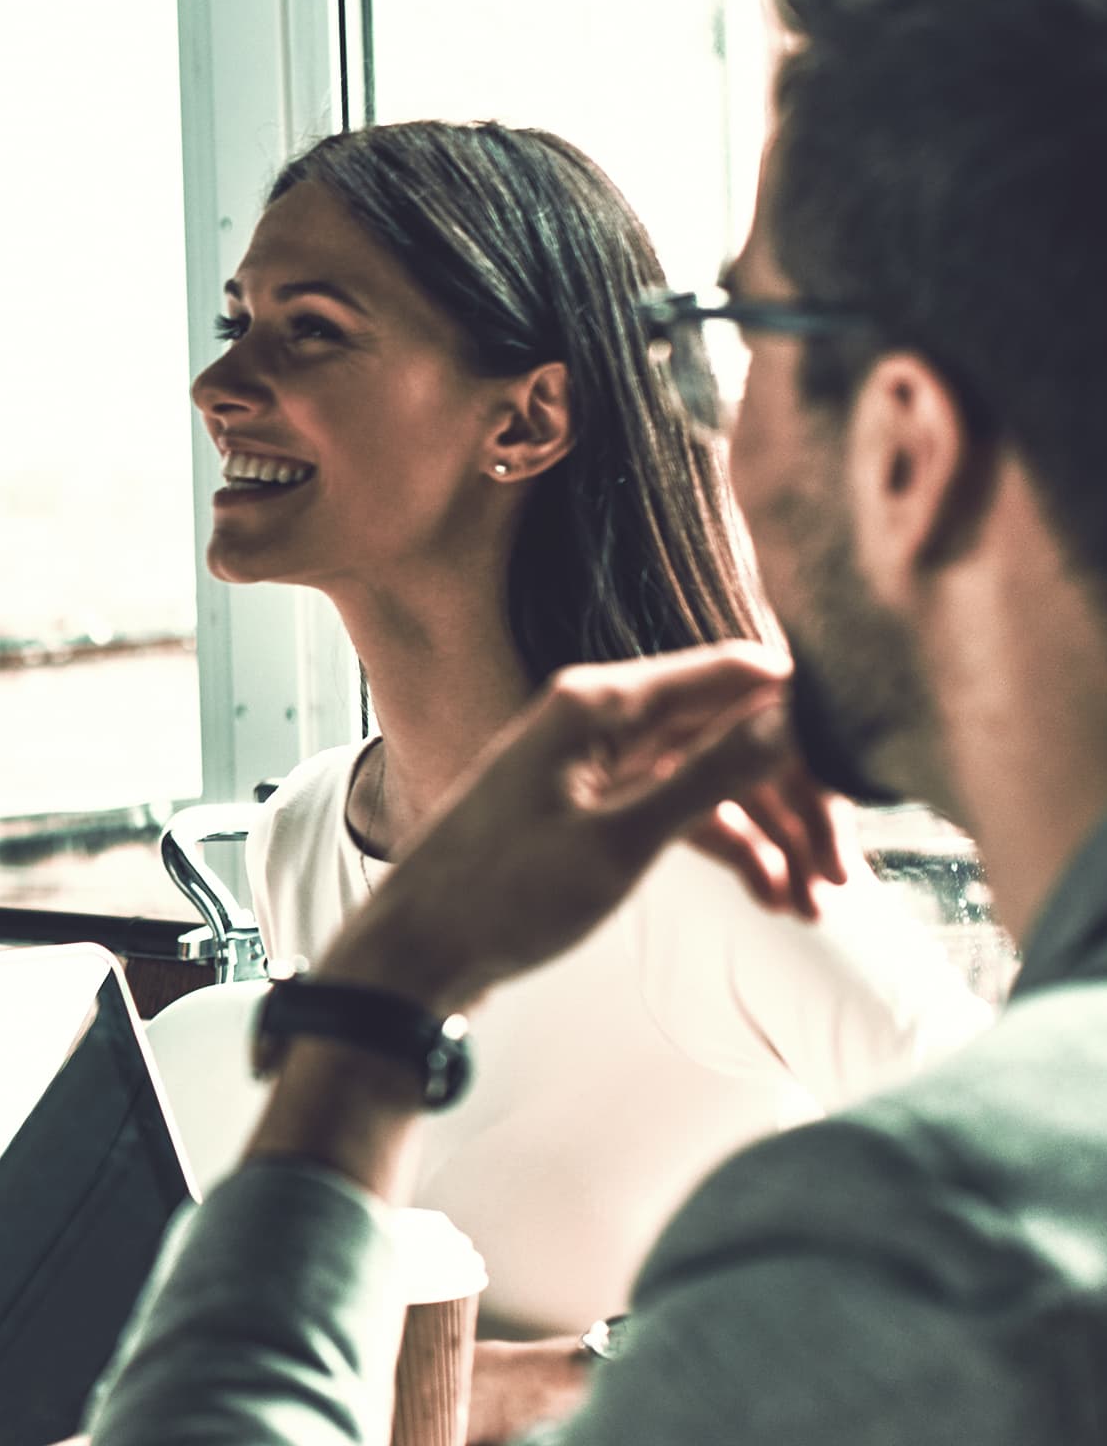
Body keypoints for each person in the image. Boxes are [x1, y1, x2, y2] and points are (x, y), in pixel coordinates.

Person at [95, 0, 1107, 1443]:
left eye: (746, 333)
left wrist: (374, 1012)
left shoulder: (938, 1249)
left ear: (906, 447)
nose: (709, 415)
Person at [174, 121, 984, 1430]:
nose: (222, 383)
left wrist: (551, 1387)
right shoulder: (310, 832)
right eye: (239, 321)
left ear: (529, 417)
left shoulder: (703, 851)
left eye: (309, 330)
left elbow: (1032, 1231)